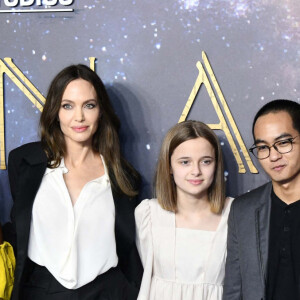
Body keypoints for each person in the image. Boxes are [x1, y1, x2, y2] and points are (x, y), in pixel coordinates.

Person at [6, 64, 143, 300]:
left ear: (101, 111)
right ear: (55, 112)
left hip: (106, 292)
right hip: (41, 290)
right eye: (67, 106)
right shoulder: (24, 162)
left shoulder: (123, 177)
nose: (79, 117)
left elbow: (128, 250)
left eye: (89, 105)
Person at [135, 120, 233, 300]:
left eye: (205, 161)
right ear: (169, 166)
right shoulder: (149, 214)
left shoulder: (234, 214)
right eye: (185, 162)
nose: (196, 171)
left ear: (216, 165)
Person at [223, 99, 300, 300]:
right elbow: (234, 290)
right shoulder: (243, 210)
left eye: (283, 143)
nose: (273, 156)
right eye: (263, 147)